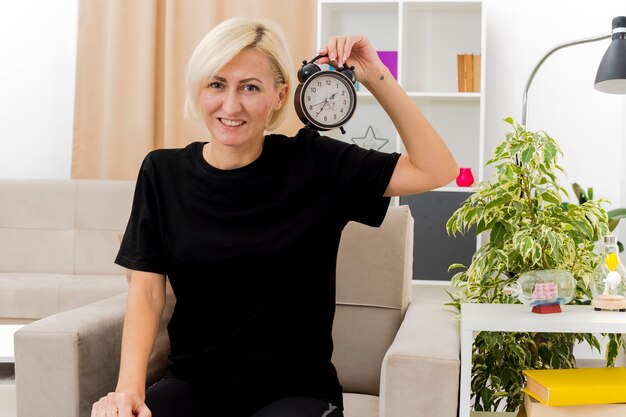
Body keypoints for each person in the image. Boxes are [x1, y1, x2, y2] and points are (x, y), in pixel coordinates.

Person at [91, 16, 458, 417]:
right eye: (217, 84)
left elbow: (436, 168)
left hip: (297, 391)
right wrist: (128, 390)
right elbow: (146, 292)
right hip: (194, 385)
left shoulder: (315, 162)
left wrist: (374, 76)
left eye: (250, 87)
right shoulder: (162, 173)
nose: (231, 105)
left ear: (280, 96)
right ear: (199, 89)